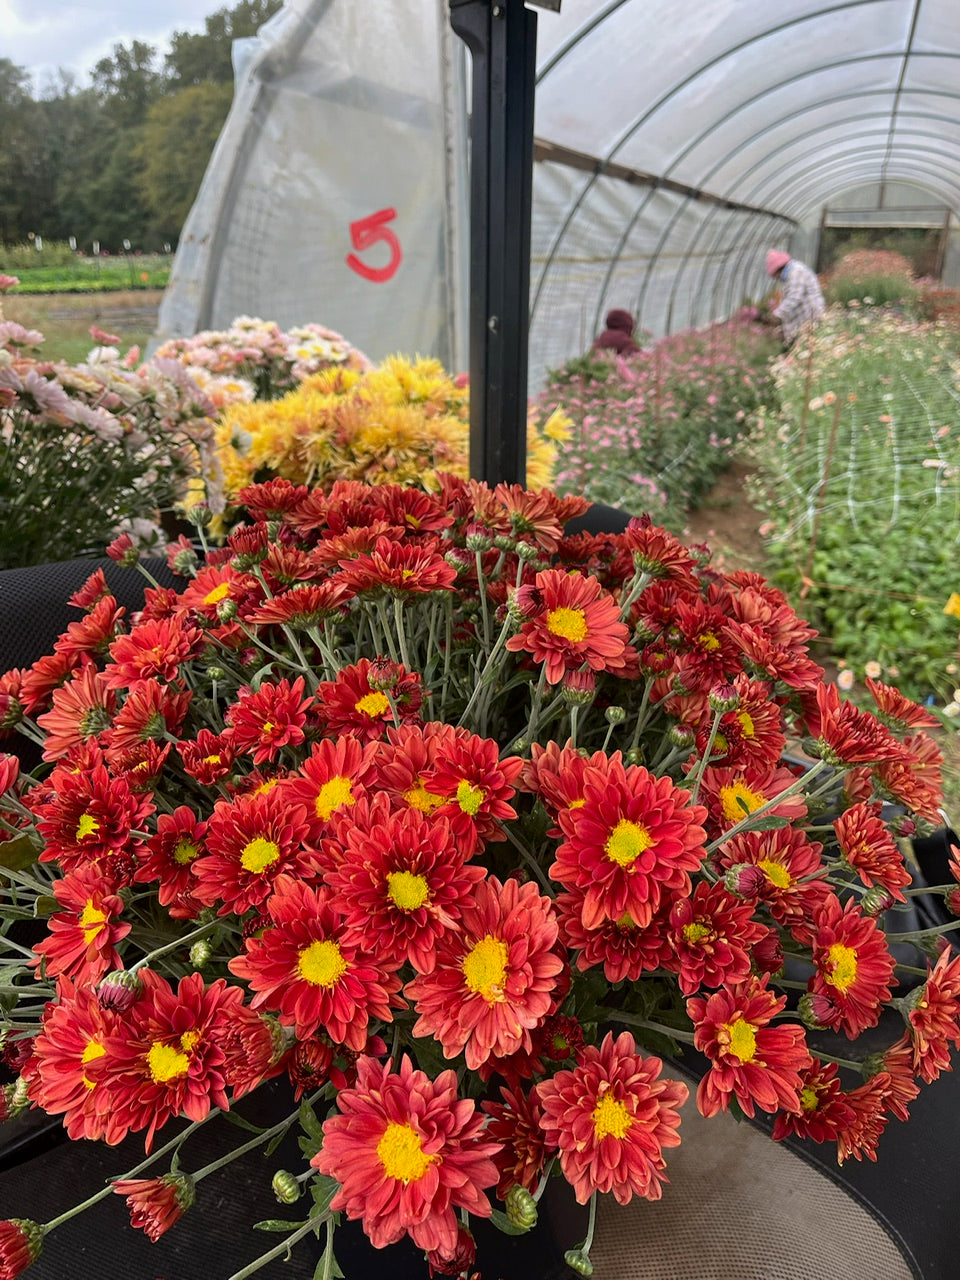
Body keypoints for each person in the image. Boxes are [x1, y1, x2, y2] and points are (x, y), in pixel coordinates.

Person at [765, 249, 825, 345]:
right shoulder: (792, 273)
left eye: (775, 275)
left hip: (811, 316)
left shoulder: (796, 272)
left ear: (778, 270)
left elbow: (793, 298)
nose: (777, 278)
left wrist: (777, 314)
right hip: (805, 319)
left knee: (811, 345)